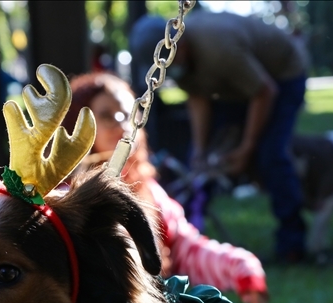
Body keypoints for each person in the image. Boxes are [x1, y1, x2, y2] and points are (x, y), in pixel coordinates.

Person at [64, 72, 272, 303]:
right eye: (107, 116)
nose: (123, 125)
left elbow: (186, 249)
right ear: (78, 131)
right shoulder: (67, 202)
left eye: (130, 115)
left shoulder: (147, 189)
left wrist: (241, 268)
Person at [130, 11, 311, 263]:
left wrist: (247, 147)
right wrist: (201, 151)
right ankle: (190, 239)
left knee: (271, 154)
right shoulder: (180, 62)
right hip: (237, 87)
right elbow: (198, 99)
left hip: (281, 78)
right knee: (204, 161)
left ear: (178, 44)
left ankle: (292, 244)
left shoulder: (220, 50)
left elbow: (264, 91)